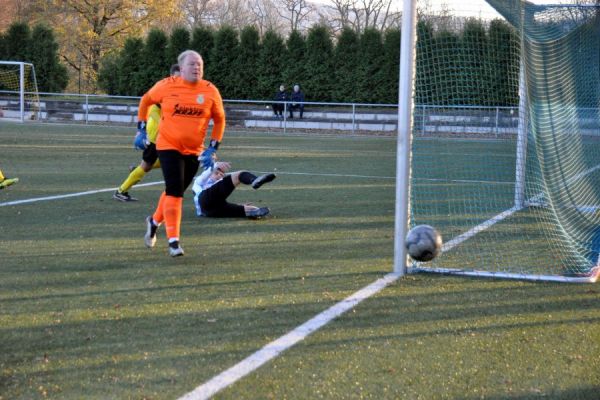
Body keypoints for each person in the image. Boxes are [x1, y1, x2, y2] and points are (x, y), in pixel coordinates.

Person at [138, 50, 226, 257]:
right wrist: (140, 128)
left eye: (200, 65)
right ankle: (174, 241)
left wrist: (213, 147)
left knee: (174, 191)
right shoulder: (166, 85)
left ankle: (153, 222)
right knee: (175, 191)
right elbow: (145, 101)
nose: (197, 68)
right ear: (181, 68)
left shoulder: (210, 90)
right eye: (193, 64)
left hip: (195, 150)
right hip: (167, 146)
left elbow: (220, 119)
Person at [114, 64, 181, 202]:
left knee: (171, 160)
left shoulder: (180, 90)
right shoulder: (165, 88)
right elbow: (150, 107)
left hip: (165, 133)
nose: (180, 79)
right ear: (172, 76)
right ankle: (121, 191)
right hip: (156, 134)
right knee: (148, 165)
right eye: (177, 76)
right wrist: (144, 129)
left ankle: (136, 170)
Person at [192, 161, 276, 219]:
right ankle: (254, 180)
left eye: (221, 175)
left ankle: (254, 213)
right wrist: (216, 164)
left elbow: (218, 199)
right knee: (239, 174)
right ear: (210, 174)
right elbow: (204, 176)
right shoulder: (200, 181)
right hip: (203, 200)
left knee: (250, 208)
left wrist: (239, 205)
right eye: (216, 173)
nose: (219, 175)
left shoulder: (218, 184)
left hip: (210, 212)